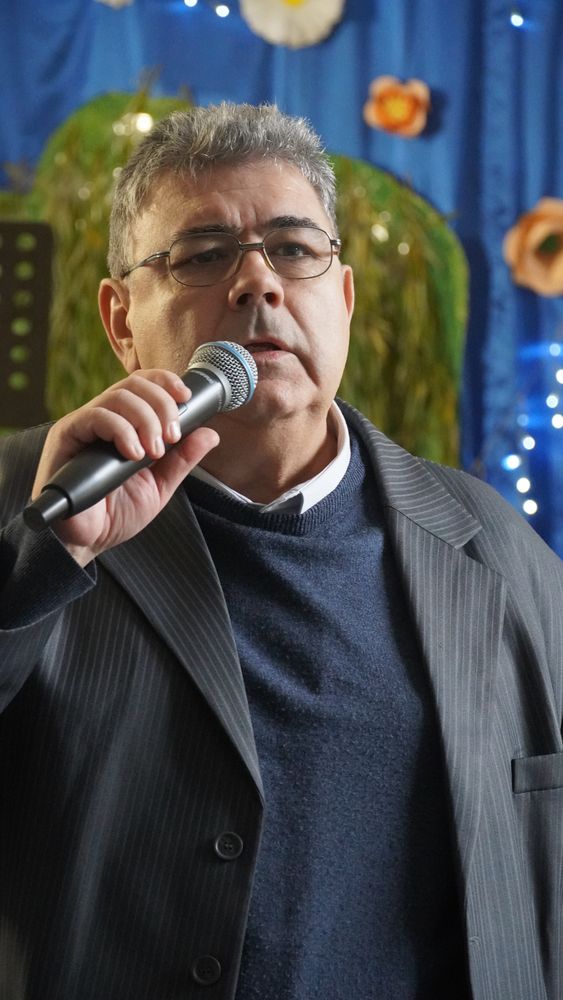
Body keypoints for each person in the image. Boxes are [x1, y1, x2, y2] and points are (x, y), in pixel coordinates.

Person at [0, 102, 562, 1000]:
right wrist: (36, 570)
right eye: (202, 255)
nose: (257, 283)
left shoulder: (490, 545)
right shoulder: (31, 502)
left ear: (343, 298)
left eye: (294, 249)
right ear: (121, 319)